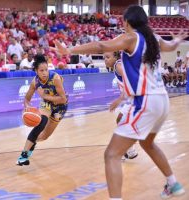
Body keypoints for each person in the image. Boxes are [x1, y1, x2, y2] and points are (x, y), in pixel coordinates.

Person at [52, 5, 186, 199]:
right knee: (147, 144)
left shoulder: (132, 37)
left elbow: (101, 46)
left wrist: (69, 50)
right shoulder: (154, 39)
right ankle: (173, 183)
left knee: (111, 155)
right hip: (162, 101)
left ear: (127, 22)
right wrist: (176, 40)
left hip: (145, 100)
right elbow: (172, 46)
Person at [16, 54, 68, 166]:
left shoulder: (55, 78)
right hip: (47, 105)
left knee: (45, 136)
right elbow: (27, 98)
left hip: (60, 106)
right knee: (41, 123)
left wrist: (45, 96)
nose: (45, 72)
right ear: (36, 71)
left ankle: (32, 143)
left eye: (46, 69)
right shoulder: (35, 82)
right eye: (41, 70)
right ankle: (23, 156)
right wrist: (26, 107)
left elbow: (63, 99)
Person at [105, 51, 138, 160]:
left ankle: (126, 150)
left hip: (137, 98)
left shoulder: (118, 65)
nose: (105, 60)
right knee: (121, 120)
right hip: (132, 98)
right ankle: (129, 150)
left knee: (125, 123)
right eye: (104, 57)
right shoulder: (118, 64)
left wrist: (119, 99)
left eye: (108, 57)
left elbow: (131, 80)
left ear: (115, 57)